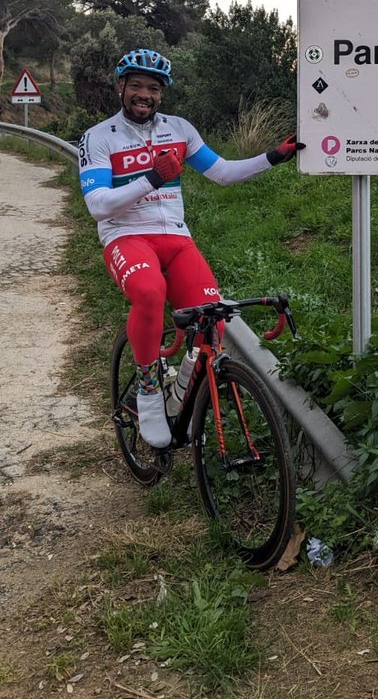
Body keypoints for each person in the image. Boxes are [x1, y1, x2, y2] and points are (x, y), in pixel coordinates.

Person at [78, 47, 303, 449]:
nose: (144, 95)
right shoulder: (98, 137)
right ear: (120, 87)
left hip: (176, 238)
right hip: (126, 236)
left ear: (161, 94)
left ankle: (179, 390)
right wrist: (152, 177)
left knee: (213, 321)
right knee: (149, 293)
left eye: (153, 88)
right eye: (136, 86)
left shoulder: (180, 129)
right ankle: (148, 392)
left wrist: (273, 157)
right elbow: (98, 206)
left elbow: (223, 173)